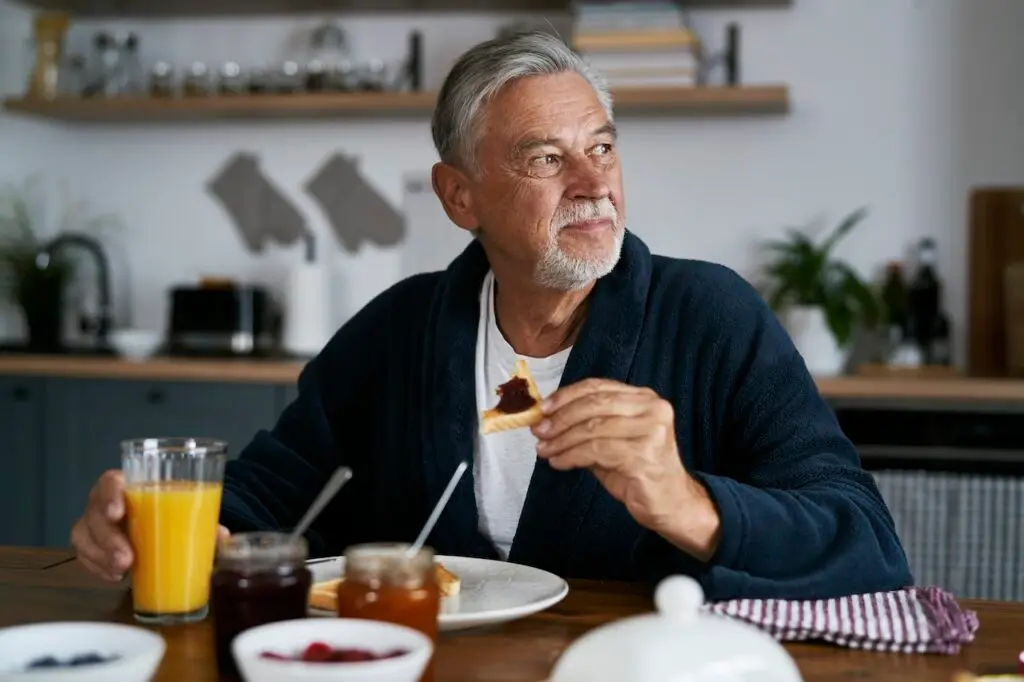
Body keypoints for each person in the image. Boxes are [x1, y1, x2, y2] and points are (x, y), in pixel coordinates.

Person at [71, 31, 912, 601]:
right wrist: (155, 528)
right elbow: (266, 499)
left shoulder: (713, 315)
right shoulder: (395, 332)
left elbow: (870, 550)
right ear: (460, 196)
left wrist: (688, 502)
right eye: (547, 157)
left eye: (604, 147)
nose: (592, 181)